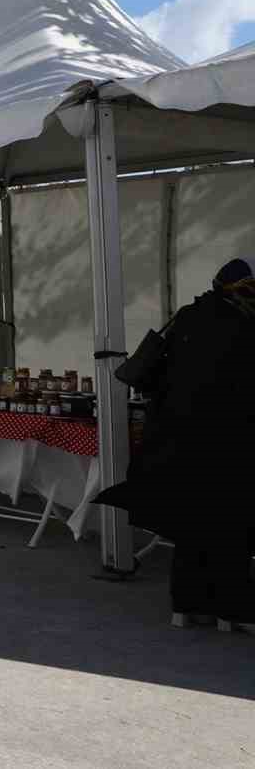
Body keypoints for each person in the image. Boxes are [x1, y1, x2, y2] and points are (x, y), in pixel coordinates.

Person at [97, 258, 255, 631]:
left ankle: (185, 606)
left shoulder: (188, 316)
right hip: (226, 446)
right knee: (230, 530)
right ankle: (232, 610)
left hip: (176, 444)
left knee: (191, 527)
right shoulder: (244, 327)